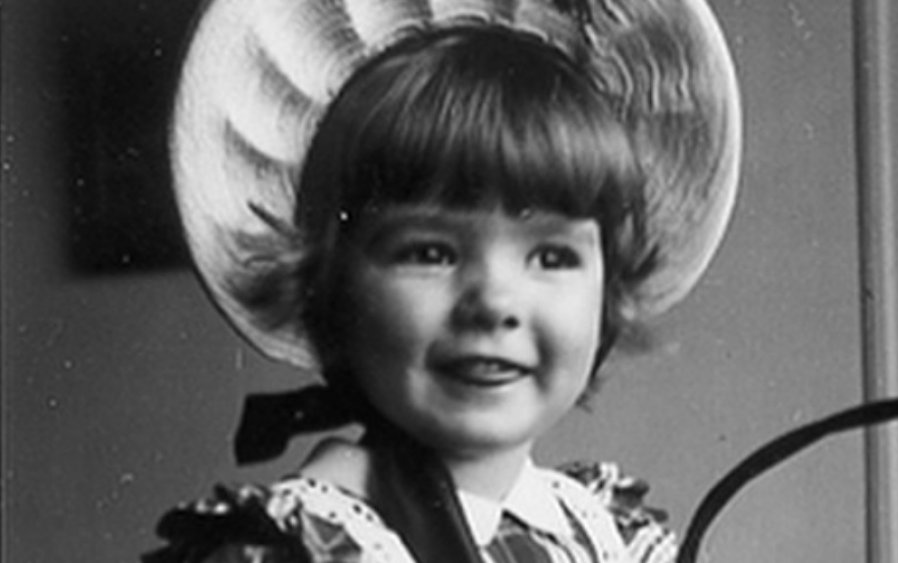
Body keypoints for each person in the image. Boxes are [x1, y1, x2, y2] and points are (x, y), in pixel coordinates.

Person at [147, 0, 741, 562]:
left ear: (608, 296)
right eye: (430, 252)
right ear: (328, 290)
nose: (495, 303)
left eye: (553, 257)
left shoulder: (609, 536)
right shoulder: (301, 546)